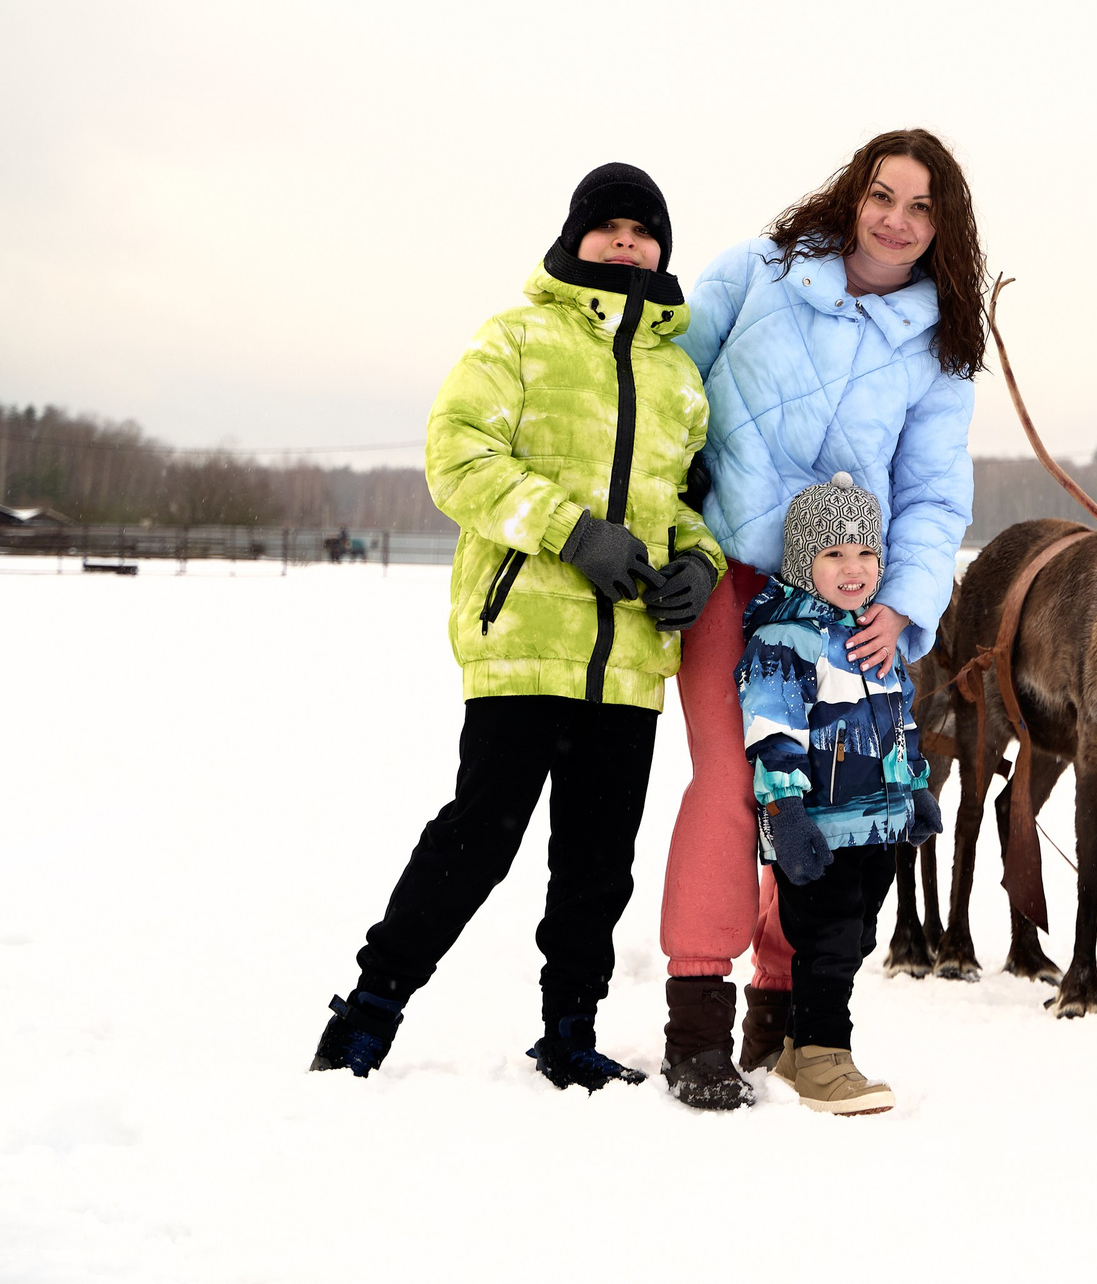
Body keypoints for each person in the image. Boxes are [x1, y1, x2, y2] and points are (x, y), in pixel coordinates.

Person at [309, 164, 725, 1090]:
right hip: (524, 642)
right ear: (575, 236)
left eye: (644, 230)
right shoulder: (519, 338)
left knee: (598, 862)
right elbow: (456, 457)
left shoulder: (678, 375)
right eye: (609, 226)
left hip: (627, 663)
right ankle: (369, 1011)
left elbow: (685, 502)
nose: (628, 243)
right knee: (475, 840)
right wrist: (572, 533)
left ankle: (569, 1030)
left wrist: (698, 562)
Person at [656, 128, 982, 1111]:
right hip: (727, 565)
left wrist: (904, 599)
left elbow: (931, 495)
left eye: (921, 207)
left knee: (833, 803)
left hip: (840, 599)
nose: (895, 219)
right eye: (884, 195)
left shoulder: (940, 348)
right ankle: (696, 1017)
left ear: (943, 228)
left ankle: (786, 1008)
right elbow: (669, 379)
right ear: (852, 194)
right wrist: (671, 511)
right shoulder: (758, 270)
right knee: (734, 780)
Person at [742, 473, 941, 1114]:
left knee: (855, 937)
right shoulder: (785, 638)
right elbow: (771, 733)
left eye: (865, 553)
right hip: (818, 823)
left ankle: (801, 1047)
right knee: (827, 937)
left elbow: (899, 720)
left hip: (878, 824)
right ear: (805, 560)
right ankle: (830, 1060)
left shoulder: (874, 635)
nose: (853, 568)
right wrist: (786, 812)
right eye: (833, 554)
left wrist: (916, 788)